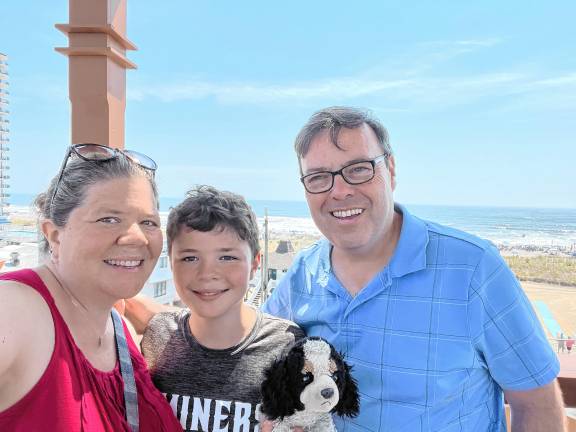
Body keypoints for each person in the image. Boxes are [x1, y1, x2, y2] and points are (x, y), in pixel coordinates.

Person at [263, 107, 566, 431]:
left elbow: (537, 405)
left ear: (390, 169)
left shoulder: (473, 269)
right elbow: (252, 354)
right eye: (319, 177)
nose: (339, 191)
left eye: (358, 169)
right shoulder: (301, 276)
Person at [0, 143, 181, 431]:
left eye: (148, 222)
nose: (136, 237)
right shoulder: (14, 312)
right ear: (55, 236)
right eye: (108, 219)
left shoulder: (121, 332)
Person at [124, 186, 303, 431]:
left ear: (255, 264)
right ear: (171, 263)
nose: (207, 274)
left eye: (227, 257)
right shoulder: (157, 336)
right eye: (190, 258)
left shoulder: (286, 346)